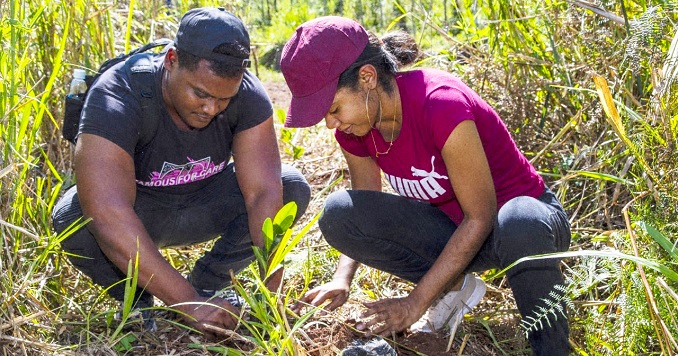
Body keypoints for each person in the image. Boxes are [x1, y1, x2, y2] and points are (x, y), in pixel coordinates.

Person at [280, 17, 571, 355]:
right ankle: (455, 286)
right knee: (341, 213)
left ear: (368, 78)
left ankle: (551, 347)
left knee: (519, 219)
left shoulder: (440, 104)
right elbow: (366, 202)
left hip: (527, 228)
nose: (331, 122)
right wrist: (341, 278)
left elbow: (480, 216)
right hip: (458, 233)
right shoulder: (355, 127)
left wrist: (414, 304)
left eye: (332, 108)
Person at [51, 7, 311, 338]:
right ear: (171, 60)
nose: (210, 108)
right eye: (200, 93)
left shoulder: (247, 94)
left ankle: (209, 283)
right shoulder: (117, 93)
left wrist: (270, 284)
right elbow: (107, 212)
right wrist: (186, 302)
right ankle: (138, 301)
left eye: (223, 99)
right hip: (141, 213)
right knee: (73, 217)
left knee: (289, 186)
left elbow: (262, 192)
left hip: (206, 204)